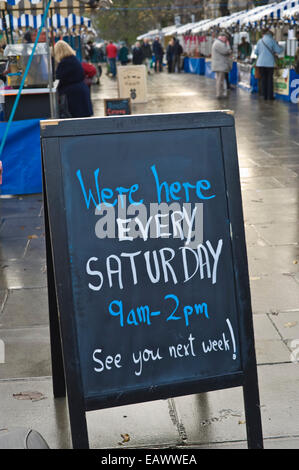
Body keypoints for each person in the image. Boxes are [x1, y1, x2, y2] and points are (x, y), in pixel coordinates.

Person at [54, 40, 93, 118]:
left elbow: (60, 79)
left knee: (76, 123)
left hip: (73, 96)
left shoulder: (64, 63)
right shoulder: (73, 59)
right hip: (81, 92)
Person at [254, 28, 282, 101]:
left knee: (263, 79)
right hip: (269, 64)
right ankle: (270, 96)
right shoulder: (272, 41)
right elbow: (278, 50)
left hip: (260, 63)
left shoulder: (260, 41)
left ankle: (264, 95)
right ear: (271, 35)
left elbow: (256, 52)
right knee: (269, 79)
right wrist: (281, 47)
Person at [211, 31, 232, 99]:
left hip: (219, 65)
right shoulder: (219, 43)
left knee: (220, 80)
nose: (226, 40)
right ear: (223, 37)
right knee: (220, 80)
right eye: (226, 38)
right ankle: (219, 94)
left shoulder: (217, 42)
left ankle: (220, 94)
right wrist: (228, 45)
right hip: (220, 65)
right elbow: (226, 51)